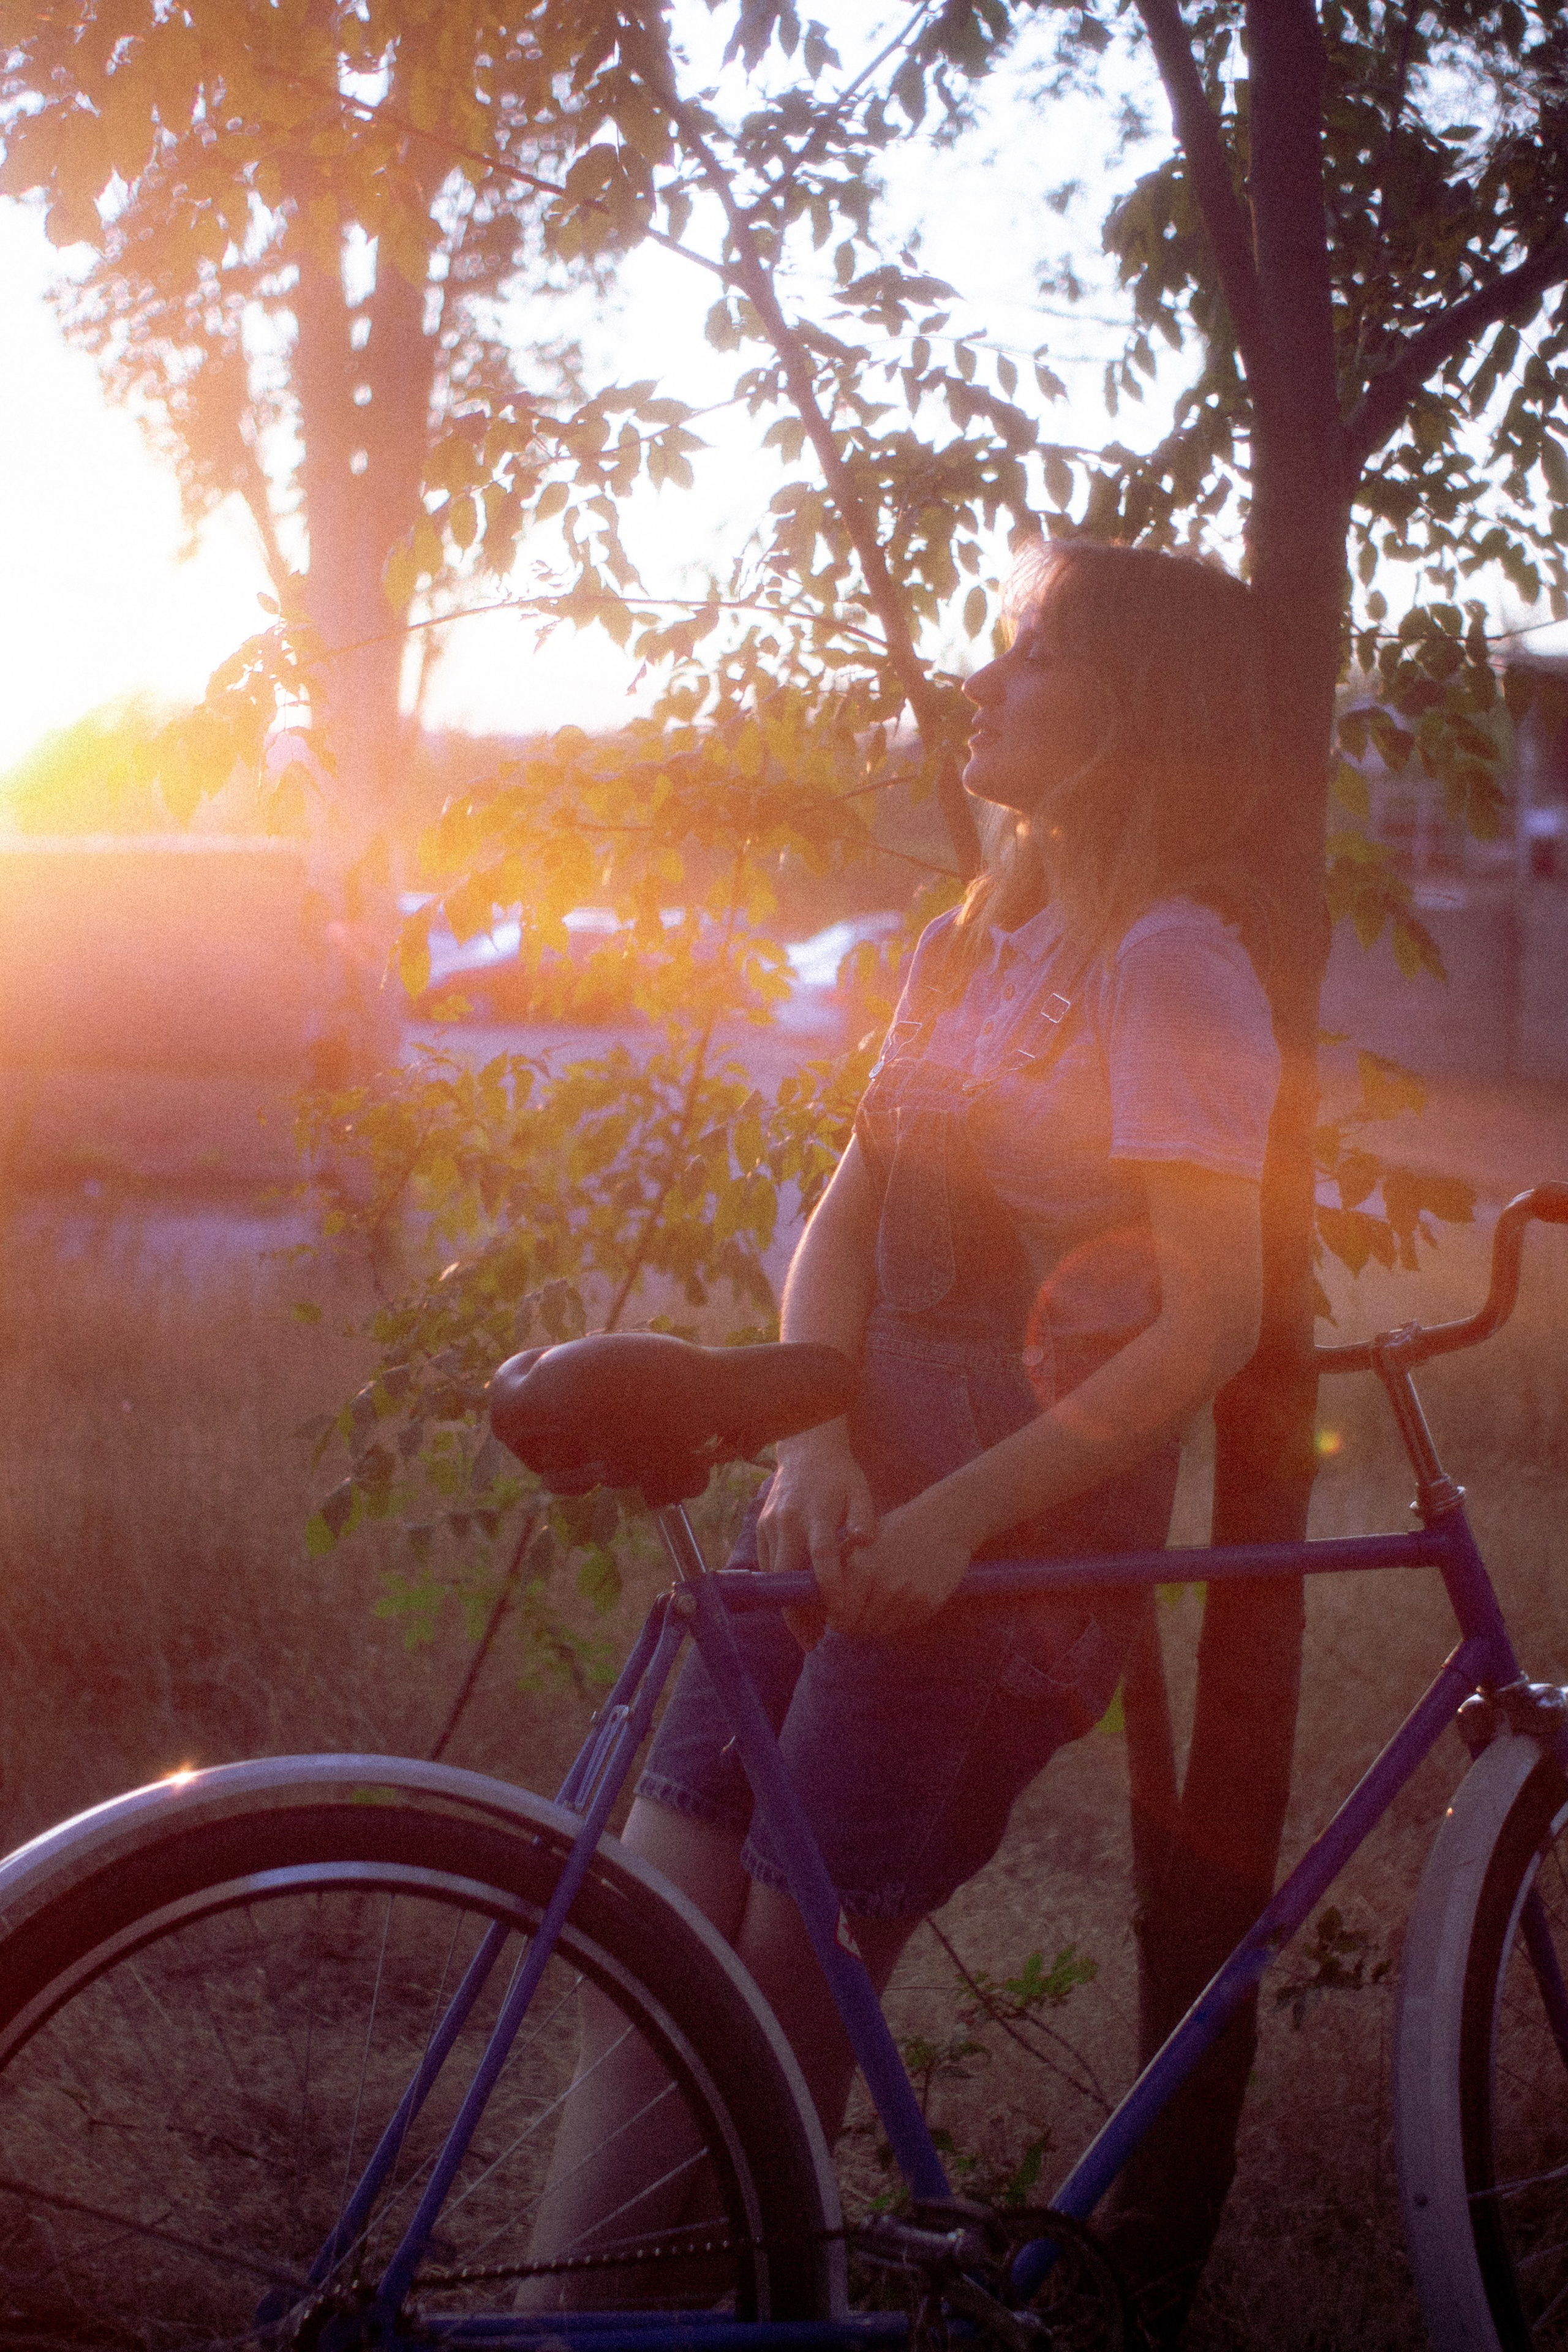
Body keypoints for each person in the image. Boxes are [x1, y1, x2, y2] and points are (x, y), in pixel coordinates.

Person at [522, 539, 1283, 2294]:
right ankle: (564, 2324)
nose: (982, 683)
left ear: (1137, 714)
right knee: (654, 1961)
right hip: (841, 1496)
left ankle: (698, 2325)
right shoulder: (974, 937)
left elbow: (1209, 1317)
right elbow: (845, 1220)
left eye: (1029, 656)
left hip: (990, 1554)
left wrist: (954, 1519)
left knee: (774, 2025)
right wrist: (813, 1444)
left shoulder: (1174, 963)